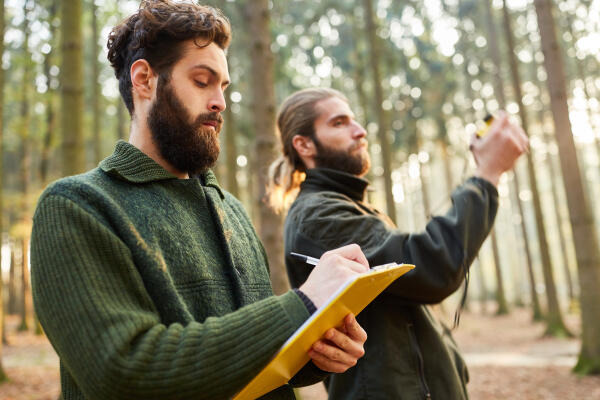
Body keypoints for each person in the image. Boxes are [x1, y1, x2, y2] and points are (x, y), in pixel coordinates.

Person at [30, 3, 370, 399]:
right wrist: (302, 303)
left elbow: (247, 355)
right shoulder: (76, 207)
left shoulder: (232, 210)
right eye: (202, 81)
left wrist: (315, 349)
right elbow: (123, 370)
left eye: (223, 86)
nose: (220, 102)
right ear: (144, 80)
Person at [268, 87, 528, 399]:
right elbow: (432, 266)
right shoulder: (318, 216)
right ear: (304, 144)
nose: (360, 131)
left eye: (354, 120)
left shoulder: (350, 207)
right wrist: (486, 175)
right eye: (339, 123)